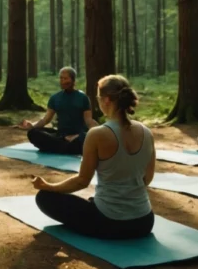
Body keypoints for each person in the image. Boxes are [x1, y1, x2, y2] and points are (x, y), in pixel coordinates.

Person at [31, 75, 155, 240]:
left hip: (110, 223)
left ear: (107, 100)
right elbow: (147, 178)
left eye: (98, 98)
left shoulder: (98, 134)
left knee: (44, 198)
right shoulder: (147, 132)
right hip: (144, 222)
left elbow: (82, 181)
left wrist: (48, 186)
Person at [17, 67, 95, 155]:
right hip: (60, 136)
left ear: (73, 80)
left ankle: (58, 147)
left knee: (86, 137)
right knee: (33, 133)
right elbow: (46, 120)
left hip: (77, 136)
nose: (62, 81)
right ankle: (67, 148)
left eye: (65, 78)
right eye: (61, 78)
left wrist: (99, 130)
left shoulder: (83, 98)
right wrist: (32, 125)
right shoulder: (55, 98)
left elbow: (88, 120)